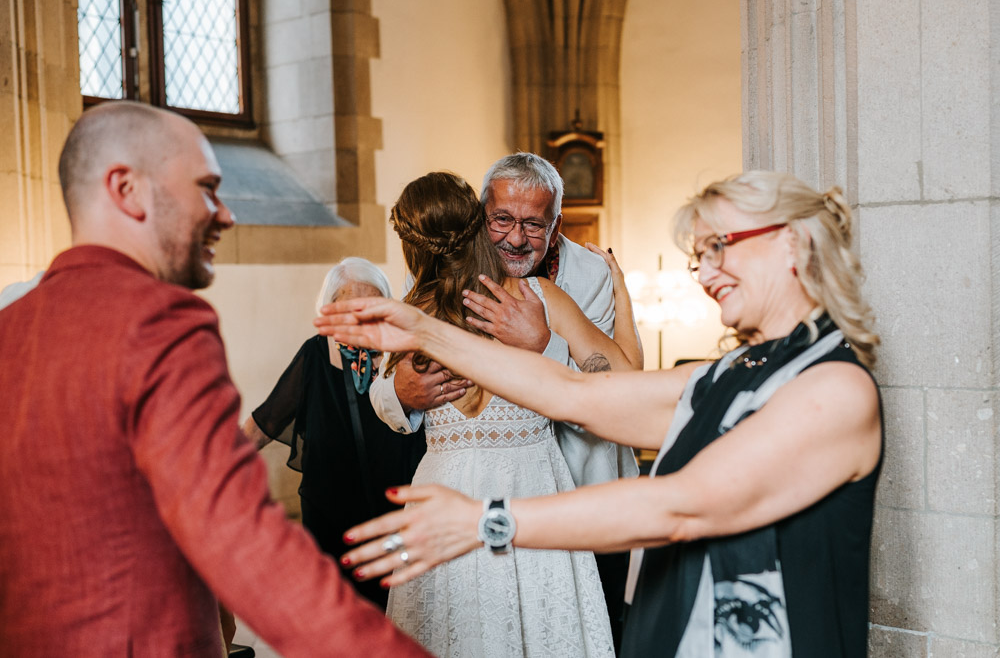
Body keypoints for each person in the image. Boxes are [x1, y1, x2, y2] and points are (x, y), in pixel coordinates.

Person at [320, 171, 883, 657]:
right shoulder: (731, 372)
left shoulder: (833, 387)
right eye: (699, 254)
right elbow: (573, 395)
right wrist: (421, 328)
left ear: (793, 245)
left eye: (721, 245)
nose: (705, 273)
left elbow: (679, 508)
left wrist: (483, 521)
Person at [0, 101, 428, 657]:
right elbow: (243, 541)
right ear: (126, 190)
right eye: (206, 188)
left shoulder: (10, 325)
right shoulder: (159, 322)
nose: (225, 214)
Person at [368, 152, 640, 644]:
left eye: (534, 225)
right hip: (449, 482)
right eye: (502, 220)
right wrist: (403, 393)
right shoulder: (426, 288)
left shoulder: (584, 277)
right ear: (478, 217)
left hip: (565, 485)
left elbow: (624, 387)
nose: (517, 237)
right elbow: (387, 386)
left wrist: (542, 345)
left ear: (555, 226)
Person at [241, 257, 426, 608]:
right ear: (328, 310)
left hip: (395, 509)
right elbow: (266, 421)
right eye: (347, 308)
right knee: (338, 610)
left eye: (370, 306)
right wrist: (209, 466)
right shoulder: (315, 354)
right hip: (331, 510)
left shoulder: (399, 354)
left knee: (398, 609)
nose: (359, 318)